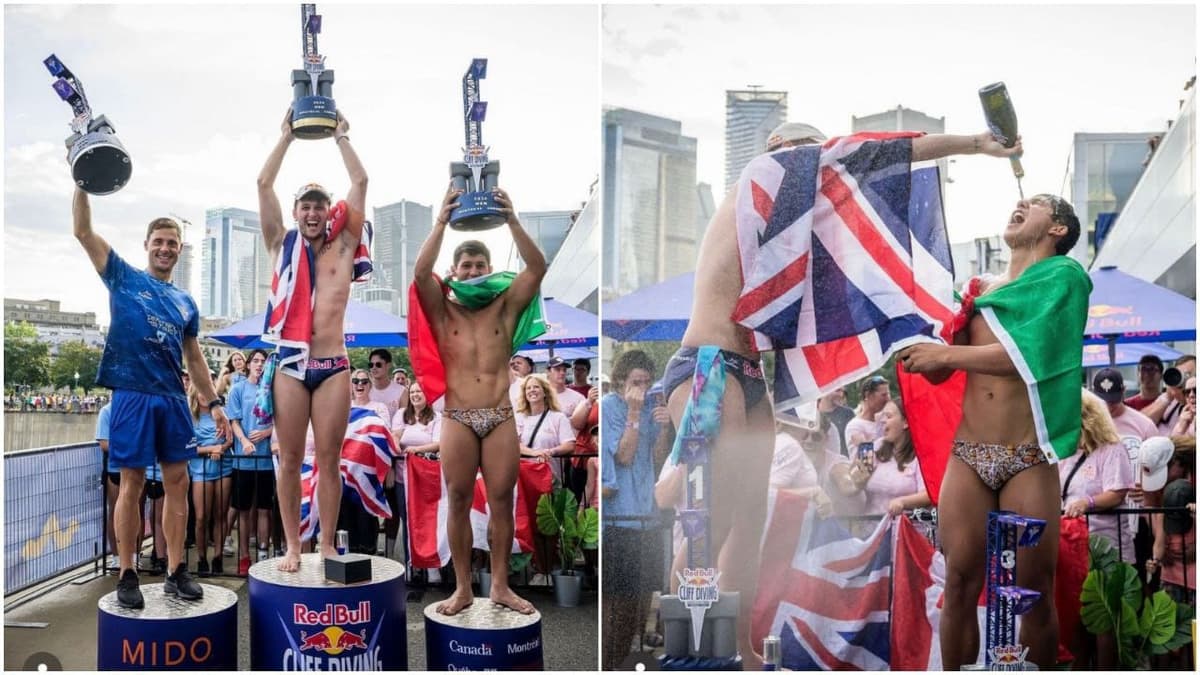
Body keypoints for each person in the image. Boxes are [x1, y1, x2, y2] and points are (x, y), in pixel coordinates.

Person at [668, 125, 1023, 666]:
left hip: (745, 370)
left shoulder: (790, 216)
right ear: (782, 151)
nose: (814, 156)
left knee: (744, 521)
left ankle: (733, 649)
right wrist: (974, 143)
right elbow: (871, 154)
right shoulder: (764, 177)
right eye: (805, 147)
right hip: (707, 364)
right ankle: (686, 646)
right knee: (705, 517)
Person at [901, 191, 1089, 669]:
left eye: (1040, 203)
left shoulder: (1066, 278)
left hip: (1028, 455)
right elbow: (942, 374)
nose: (1022, 203)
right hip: (969, 455)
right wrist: (923, 341)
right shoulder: (980, 288)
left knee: (1034, 591)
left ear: (1058, 230)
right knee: (959, 583)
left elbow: (1031, 360)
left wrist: (944, 354)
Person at [73, 187, 229, 609]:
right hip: (132, 394)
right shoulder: (123, 276)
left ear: (179, 251)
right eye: (158, 242)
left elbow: (194, 357)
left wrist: (214, 403)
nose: (165, 248)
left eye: (172, 243)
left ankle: (177, 570)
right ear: (146, 246)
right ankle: (127, 573)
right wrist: (83, 183)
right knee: (133, 482)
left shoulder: (185, 302)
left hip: (173, 398)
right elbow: (83, 230)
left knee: (178, 481)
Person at [411, 185, 545, 615]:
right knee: (459, 498)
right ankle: (463, 587)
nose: (472, 270)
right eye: (465, 265)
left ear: (490, 267)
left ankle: (502, 585)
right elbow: (419, 275)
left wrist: (512, 219)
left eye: (479, 264)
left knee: (503, 498)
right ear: (454, 270)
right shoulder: (442, 311)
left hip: (500, 415)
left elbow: (537, 267)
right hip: (458, 416)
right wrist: (440, 221)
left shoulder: (505, 308)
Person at [257, 106, 368, 572]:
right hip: (289, 362)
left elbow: (360, 183)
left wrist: (342, 135)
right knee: (287, 461)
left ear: (328, 212)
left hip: (331, 364)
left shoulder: (344, 246)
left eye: (320, 205)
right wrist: (284, 136)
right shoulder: (280, 243)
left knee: (329, 459)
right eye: (305, 205)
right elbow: (263, 186)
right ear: (297, 211)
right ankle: (291, 547)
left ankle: (324, 544)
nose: (312, 211)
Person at [602, 350, 671, 671]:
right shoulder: (610, 408)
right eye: (635, 382)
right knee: (620, 603)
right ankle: (611, 662)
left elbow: (657, 461)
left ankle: (633, 660)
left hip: (649, 515)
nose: (642, 388)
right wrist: (633, 411)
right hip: (619, 517)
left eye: (646, 381)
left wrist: (665, 429)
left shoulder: (652, 409)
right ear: (620, 382)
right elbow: (625, 456)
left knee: (646, 595)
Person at [1059, 390, 1134, 558]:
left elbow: (1117, 493)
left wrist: (1087, 503)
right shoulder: (1067, 452)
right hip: (1073, 542)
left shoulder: (1112, 449)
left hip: (1107, 547)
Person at [228, 349, 276, 575]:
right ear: (247, 365)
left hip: (266, 459)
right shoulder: (238, 389)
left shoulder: (273, 390)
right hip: (243, 460)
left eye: (263, 361)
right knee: (243, 511)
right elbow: (234, 421)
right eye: (255, 361)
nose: (259, 365)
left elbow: (282, 420)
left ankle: (264, 553)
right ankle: (244, 555)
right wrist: (244, 441)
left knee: (265, 509)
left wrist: (267, 433)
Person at [187, 369, 233, 576]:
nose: (205, 396)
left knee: (220, 515)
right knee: (201, 517)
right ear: (195, 394)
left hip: (224, 466)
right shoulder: (191, 417)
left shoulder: (221, 413)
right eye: (201, 392)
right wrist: (210, 450)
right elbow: (187, 447)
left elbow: (230, 438)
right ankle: (202, 557)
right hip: (200, 469)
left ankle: (218, 557)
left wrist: (221, 449)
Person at [388, 379, 440, 562]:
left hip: (425, 477)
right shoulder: (402, 414)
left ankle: (429, 562)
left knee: (425, 519)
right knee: (407, 518)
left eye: (420, 392)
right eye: (413, 392)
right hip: (403, 477)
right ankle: (411, 563)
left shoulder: (436, 417)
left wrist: (416, 450)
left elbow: (438, 443)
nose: (416, 395)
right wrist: (396, 446)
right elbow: (395, 436)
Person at [863, 399, 930, 517]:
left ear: (905, 422)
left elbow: (928, 494)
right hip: (871, 528)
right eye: (882, 416)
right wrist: (855, 479)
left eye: (888, 416)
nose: (882, 420)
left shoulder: (921, 455)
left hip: (903, 528)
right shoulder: (876, 446)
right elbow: (857, 484)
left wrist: (902, 502)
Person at [1143, 355, 1196, 434]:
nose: (1182, 379)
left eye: (1187, 375)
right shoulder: (1170, 398)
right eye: (1179, 374)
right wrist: (1167, 398)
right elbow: (1140, 424)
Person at [845, 374, 890, 451]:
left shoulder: (887, 420)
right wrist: (865, 446)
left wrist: (865, 443)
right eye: (883, 395)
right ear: (868, 395)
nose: (888, 399)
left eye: (888, 394)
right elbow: (865, 461)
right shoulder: (855, 426)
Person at [367, 349, 406, 420]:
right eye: (371, 365)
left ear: (388, 365)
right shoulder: (365, 390)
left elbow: (404, 420)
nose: (374, 368)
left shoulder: (402, 391)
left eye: (378, 365)